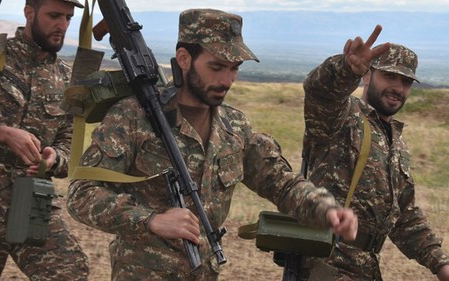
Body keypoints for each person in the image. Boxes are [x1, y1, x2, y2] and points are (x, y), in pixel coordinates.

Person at [67, 8, 358, 281]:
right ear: (184, 58)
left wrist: (326, 209)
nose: (226, 79)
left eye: (234, 68)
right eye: (216, 66)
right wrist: (151, 220)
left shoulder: (235, 127)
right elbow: (82, 194)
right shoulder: (133, 116)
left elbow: (282, 183)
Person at [300, 24, 449, 281]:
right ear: (367, 76)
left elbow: (404, 215)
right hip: (326, 264)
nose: (398, 88)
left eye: (406, 81)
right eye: (389, 76)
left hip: (365, 269)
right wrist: (345, 70)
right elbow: (318, 91)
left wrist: (441, 265)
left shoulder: (395, 143)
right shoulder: (341, 117)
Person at [0, 0, 89, 280]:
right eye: (54, 15)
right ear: (29, 12)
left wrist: (54, 158)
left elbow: (69, 144)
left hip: (33, 201)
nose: (62, 25)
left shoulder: (66, 78)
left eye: (68, 18)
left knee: (70, 272)